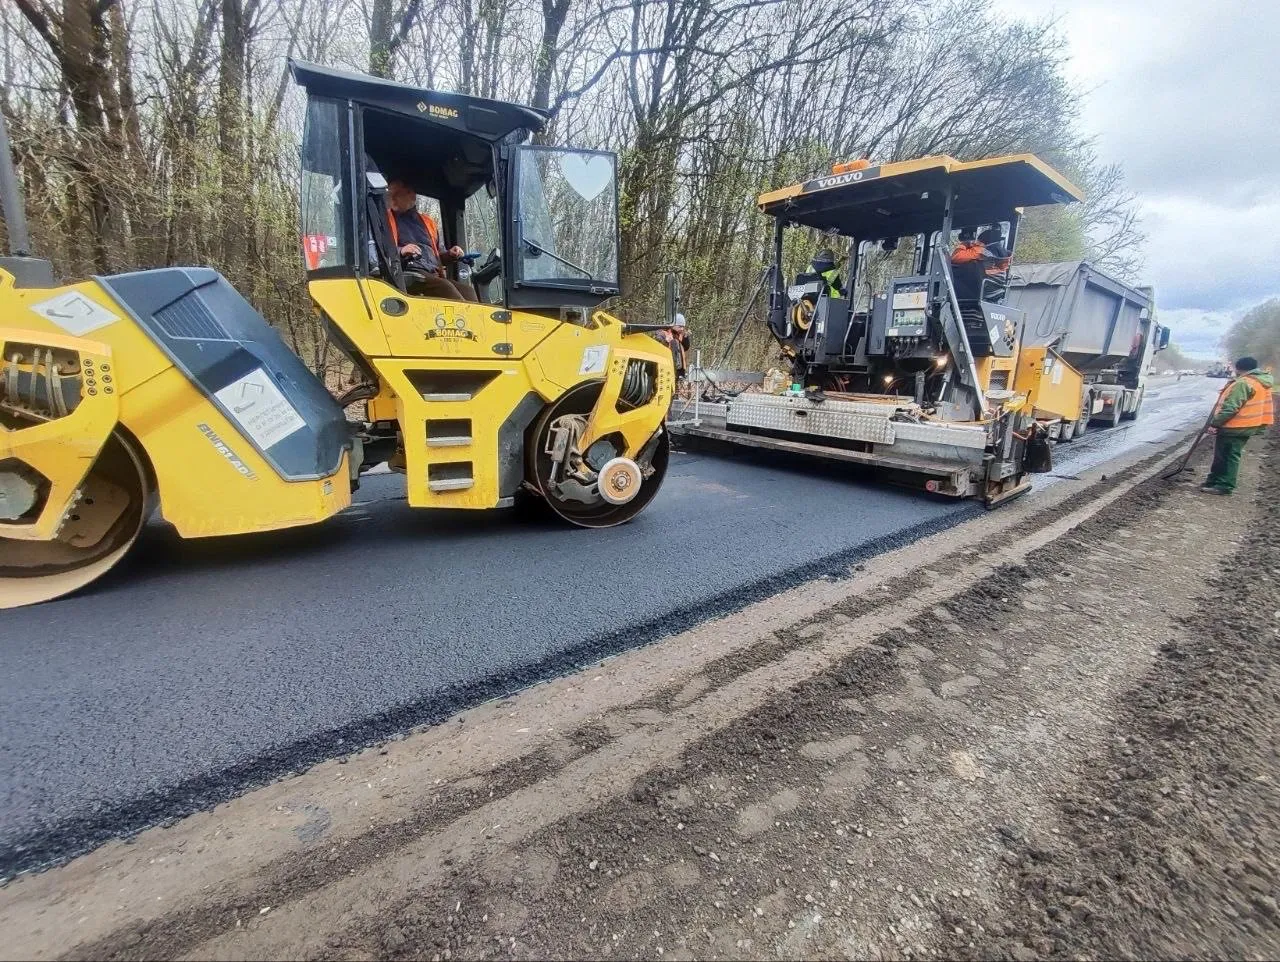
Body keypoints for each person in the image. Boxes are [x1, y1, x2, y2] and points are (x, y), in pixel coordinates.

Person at [385, 179, 477, 302]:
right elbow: (380, 250)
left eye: (397, 195)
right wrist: (402, 250)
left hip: (433, 273)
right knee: (446, 288)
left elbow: (438, 257)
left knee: (468, 291)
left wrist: (450, 254)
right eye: (392, 195)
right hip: (408, 271)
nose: (392, 199)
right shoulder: (386, 220)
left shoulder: (428, 222)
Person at [1200, 357, 1274, 495]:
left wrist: (1215, 424)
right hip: (1247, 425)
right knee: (1226, 455)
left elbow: (1231, 408)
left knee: (1227, 456)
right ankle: (1214, 480)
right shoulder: (1260, 382)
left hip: (1235, 426)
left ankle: (1224, 485)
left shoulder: (1243, 383)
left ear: (1238, 368)